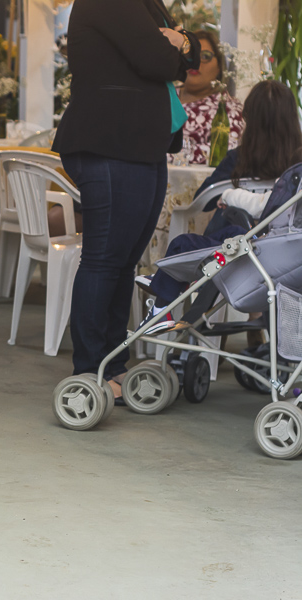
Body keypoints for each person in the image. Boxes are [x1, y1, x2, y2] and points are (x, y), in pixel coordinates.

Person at [51, 0, 200, 401]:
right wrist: (176, 45)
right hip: (109, 140)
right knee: (104, 260)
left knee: (123, 262)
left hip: (140, 142)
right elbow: (158, 60)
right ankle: (91, 370)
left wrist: (181, 42)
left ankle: (114, 363)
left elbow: (190, 56)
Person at [138, 80, 302, 331]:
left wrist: (228, 195)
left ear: (250, 120)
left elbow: (203, 200)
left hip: (238, 259)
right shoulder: (296, 168)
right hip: (285, 264)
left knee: (190, 241)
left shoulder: (239, 159)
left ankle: (164, 295)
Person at [170, 30, 244, 165]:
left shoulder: (228, 108)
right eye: (189, 54)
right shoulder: (164, 95)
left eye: (205, 56)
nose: (196, 61)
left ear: (219, 67)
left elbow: (227, 153)